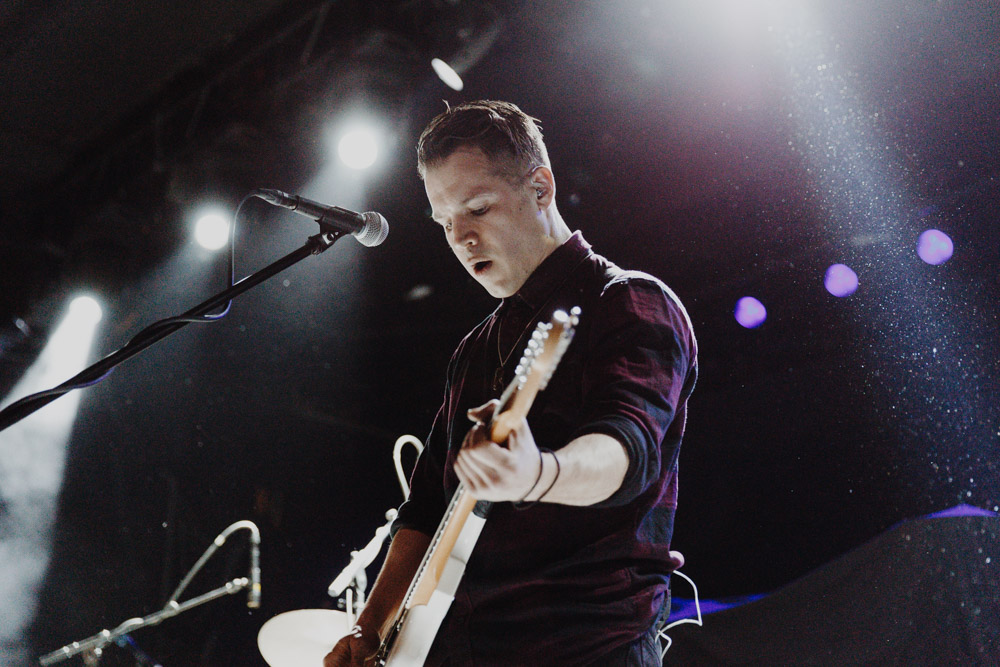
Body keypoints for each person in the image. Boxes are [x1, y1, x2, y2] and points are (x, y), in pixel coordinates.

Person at [324, 100, 697, 666]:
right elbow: (424, 509)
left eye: (477, 209)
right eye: (445, 222)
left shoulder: (628, 301)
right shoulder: (474, 351)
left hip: (587, 646)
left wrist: (536, 473)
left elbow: (626, 449)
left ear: (540, 188)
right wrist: (370, 626)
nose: (461, 237)